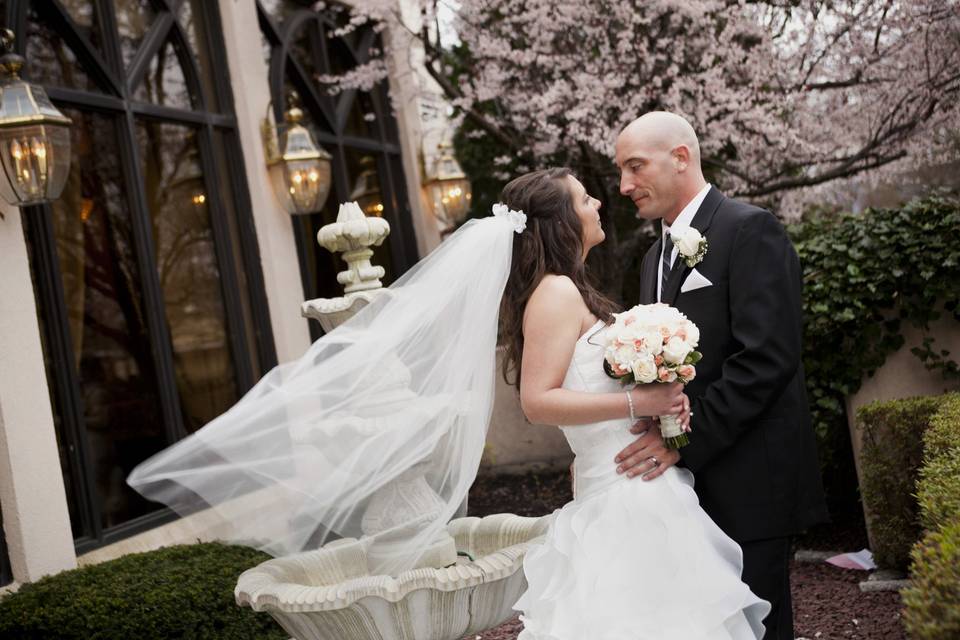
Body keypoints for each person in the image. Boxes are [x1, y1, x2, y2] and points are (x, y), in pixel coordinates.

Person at [500, 168, 769, 639]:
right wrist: (637, 401)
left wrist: (665, 407)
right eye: (585, 200)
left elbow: (591, 385)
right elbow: (537, 401)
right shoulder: (555, 292)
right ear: (561, 221)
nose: (599, 204)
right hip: (620, 489)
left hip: (637, 479)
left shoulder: (570, 286)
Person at [612, 111, 830, 639]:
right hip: (685, 489)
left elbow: (768, 357)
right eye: (621, 172)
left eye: (635, 167)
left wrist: (683, 440)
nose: (624, 186)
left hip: (750, 478)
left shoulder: (749, 229)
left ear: (681, 158)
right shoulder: (650, 260)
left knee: (758, 627)